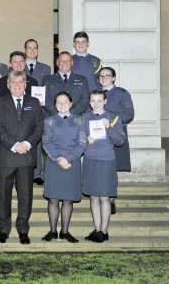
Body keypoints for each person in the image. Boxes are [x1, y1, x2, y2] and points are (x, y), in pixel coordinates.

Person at [0, 71, 44, 245]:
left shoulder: (34, 103)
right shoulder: (0, 103)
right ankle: (4, 230)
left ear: (25, 85)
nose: (16, 85)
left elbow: (38, 128)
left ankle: (23, 229)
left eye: (20, 82)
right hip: (6, 156)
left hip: (26, 157)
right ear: (7, 85)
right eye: (13, 82)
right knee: (3, 196)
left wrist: (27, 145)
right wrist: (15, 145)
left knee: (25, 196)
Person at [41, 92, 86, 244]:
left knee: (68, 200)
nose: (62, 104)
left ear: (71, 103)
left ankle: (65, 231)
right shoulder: (49, 121)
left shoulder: (80, 121)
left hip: (71, 164)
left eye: (65, 101)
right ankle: (53, 231)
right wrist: (59, 158)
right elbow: (46, 142)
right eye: (59, 102)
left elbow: (81, 144)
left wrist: (69, 158)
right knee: (53, 200)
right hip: (54, 163)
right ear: (55, 105)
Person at [82, 90, 126, 243]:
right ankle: (97, 229)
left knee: (105, 197)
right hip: (90, 159)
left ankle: (104, 231)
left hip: (106, 160)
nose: (96, 104)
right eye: (93, 100)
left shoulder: (113, 118)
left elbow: (120, 141)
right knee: (93, 197)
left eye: (99, 101)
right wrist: (86, 139)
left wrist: (109, 128)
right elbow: (78, 138)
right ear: (89, 101)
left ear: (105, 101)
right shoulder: (85, 118)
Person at [98, 66, 135, 214]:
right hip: (99, 137)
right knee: (100, 168)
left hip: (115, 135)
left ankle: (111, 199)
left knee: (112, 169)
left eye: (107, 76)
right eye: (101, 76)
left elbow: (129, 113)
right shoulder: (96, 94)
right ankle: (99, 196)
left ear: (113, 77)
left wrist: (113, 122)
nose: (104, 78)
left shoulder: (122, 93)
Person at [41, 51, 90, 117]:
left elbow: (85, 100)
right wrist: (58, 115)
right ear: (57, 63)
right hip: (52, 118)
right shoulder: (47, 79)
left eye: (68, 61)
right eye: (62, 61)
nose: (65, 63)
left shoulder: (82, 79)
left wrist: (72, 115)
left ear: (72, 63)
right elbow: (45, 99)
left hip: (76, 119)